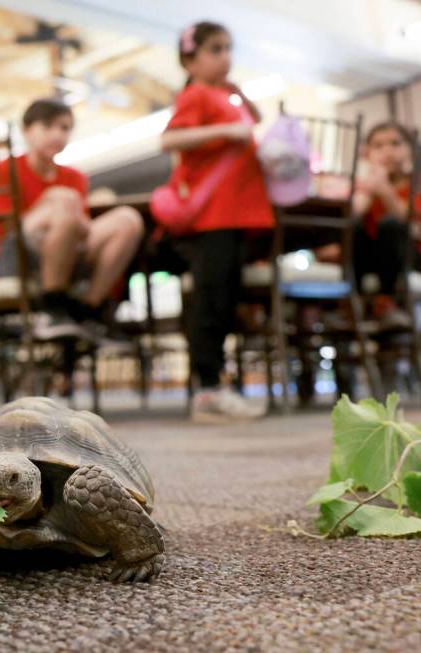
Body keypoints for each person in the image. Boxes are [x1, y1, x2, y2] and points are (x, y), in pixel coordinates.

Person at [159, 21, 273, 423]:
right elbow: (168, 140)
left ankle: (214, 386)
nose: (225, 57)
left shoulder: (222, 94)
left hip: (233, 212)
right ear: (190, 58)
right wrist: (227, 126)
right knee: (211, 300)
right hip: (212, 215)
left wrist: (238, 95)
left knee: (224, 300)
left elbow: (254, 121)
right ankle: (207, 389)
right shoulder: (196, 94)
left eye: (229, 48)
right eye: (215, 49)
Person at [0, 98, 144, 340]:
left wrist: (66, 212)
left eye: (64, 128)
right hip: (17, 256)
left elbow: (79, 229)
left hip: (67, 250)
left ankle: (90, 309)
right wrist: (54, 204)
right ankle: (53, 307)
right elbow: (8, 223)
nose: (57, 135)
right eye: (48, 126)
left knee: (128, 219)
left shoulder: (75, 177)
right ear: (27, 131)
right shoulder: (8, 168)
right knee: (63, 200)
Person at [351, 122, 413, 328]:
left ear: (409, 149)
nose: (387, 151)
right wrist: (369, 187)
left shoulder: (416, 183)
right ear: (367, 152)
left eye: (395, 144)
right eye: (378, 146)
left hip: (409, 255)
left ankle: (387, 302)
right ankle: (352, 303)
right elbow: (353, 214)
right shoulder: (366, 185)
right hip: (375, 256)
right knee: (356, 229)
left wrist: (384, 189)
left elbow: (410, 221)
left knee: (390, 225)